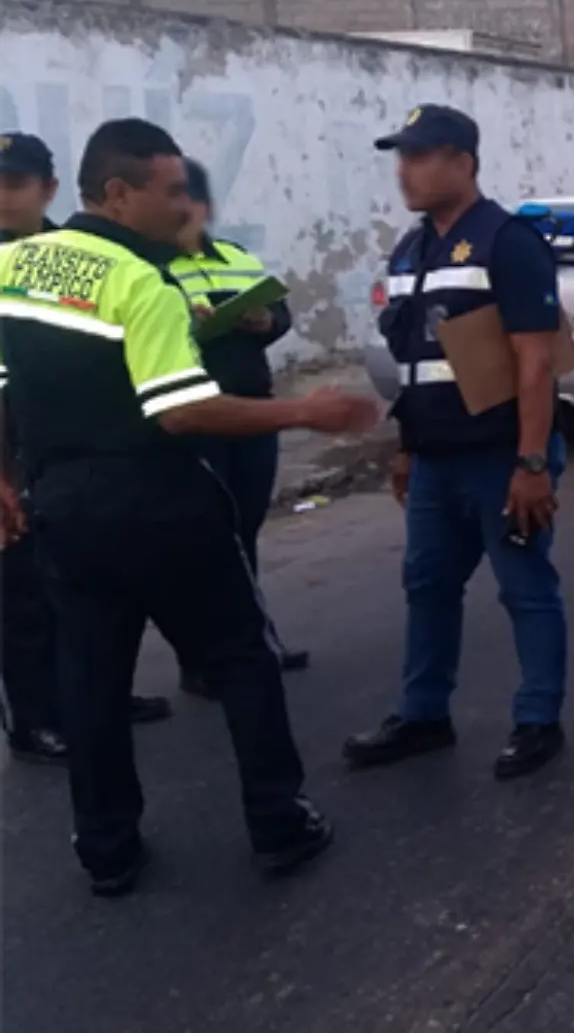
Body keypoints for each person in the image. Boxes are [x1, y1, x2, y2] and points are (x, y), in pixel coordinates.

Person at [0, 118, 378, 894]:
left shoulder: (18, 267)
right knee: (242, 656)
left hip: (63, 507)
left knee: (92, 679)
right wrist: (305, 413)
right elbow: (181, 412)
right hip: (159, 500)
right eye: (170, 192)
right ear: (116, 192)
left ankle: (106, 849)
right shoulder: (144, 281)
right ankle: (279, 821)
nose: (183, 208)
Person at [342, 104, 570, 781]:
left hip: (502, 457)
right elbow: (414, 362)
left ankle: (538, 719)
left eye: (419, 156)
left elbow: (535, 361)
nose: (404, 172)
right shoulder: (412, 249)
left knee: (525, 588)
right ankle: (423, 714)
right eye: (401, 157)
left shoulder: (507, 241)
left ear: (462, 163)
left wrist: (532, 462)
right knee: (427, 585)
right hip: (436, 460)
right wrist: (407, 448)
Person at [0, 132, 173, 768]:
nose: (0, 197)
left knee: (92, 588)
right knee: (21, 594)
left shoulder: (80, 256)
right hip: (13, 449)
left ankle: (98, 695)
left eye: (13, 184)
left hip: (74, 448)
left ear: (47, 190)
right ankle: (35, 720)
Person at [169, 159, 310, 697]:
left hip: (254, 413)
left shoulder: (234, 257)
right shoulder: (150, 267)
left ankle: (248, 639)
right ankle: (202, 656)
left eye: (193, 200)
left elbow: (280, 314)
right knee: (205, 536)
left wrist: (263, 321)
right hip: (197, 415)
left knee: (243, 527)